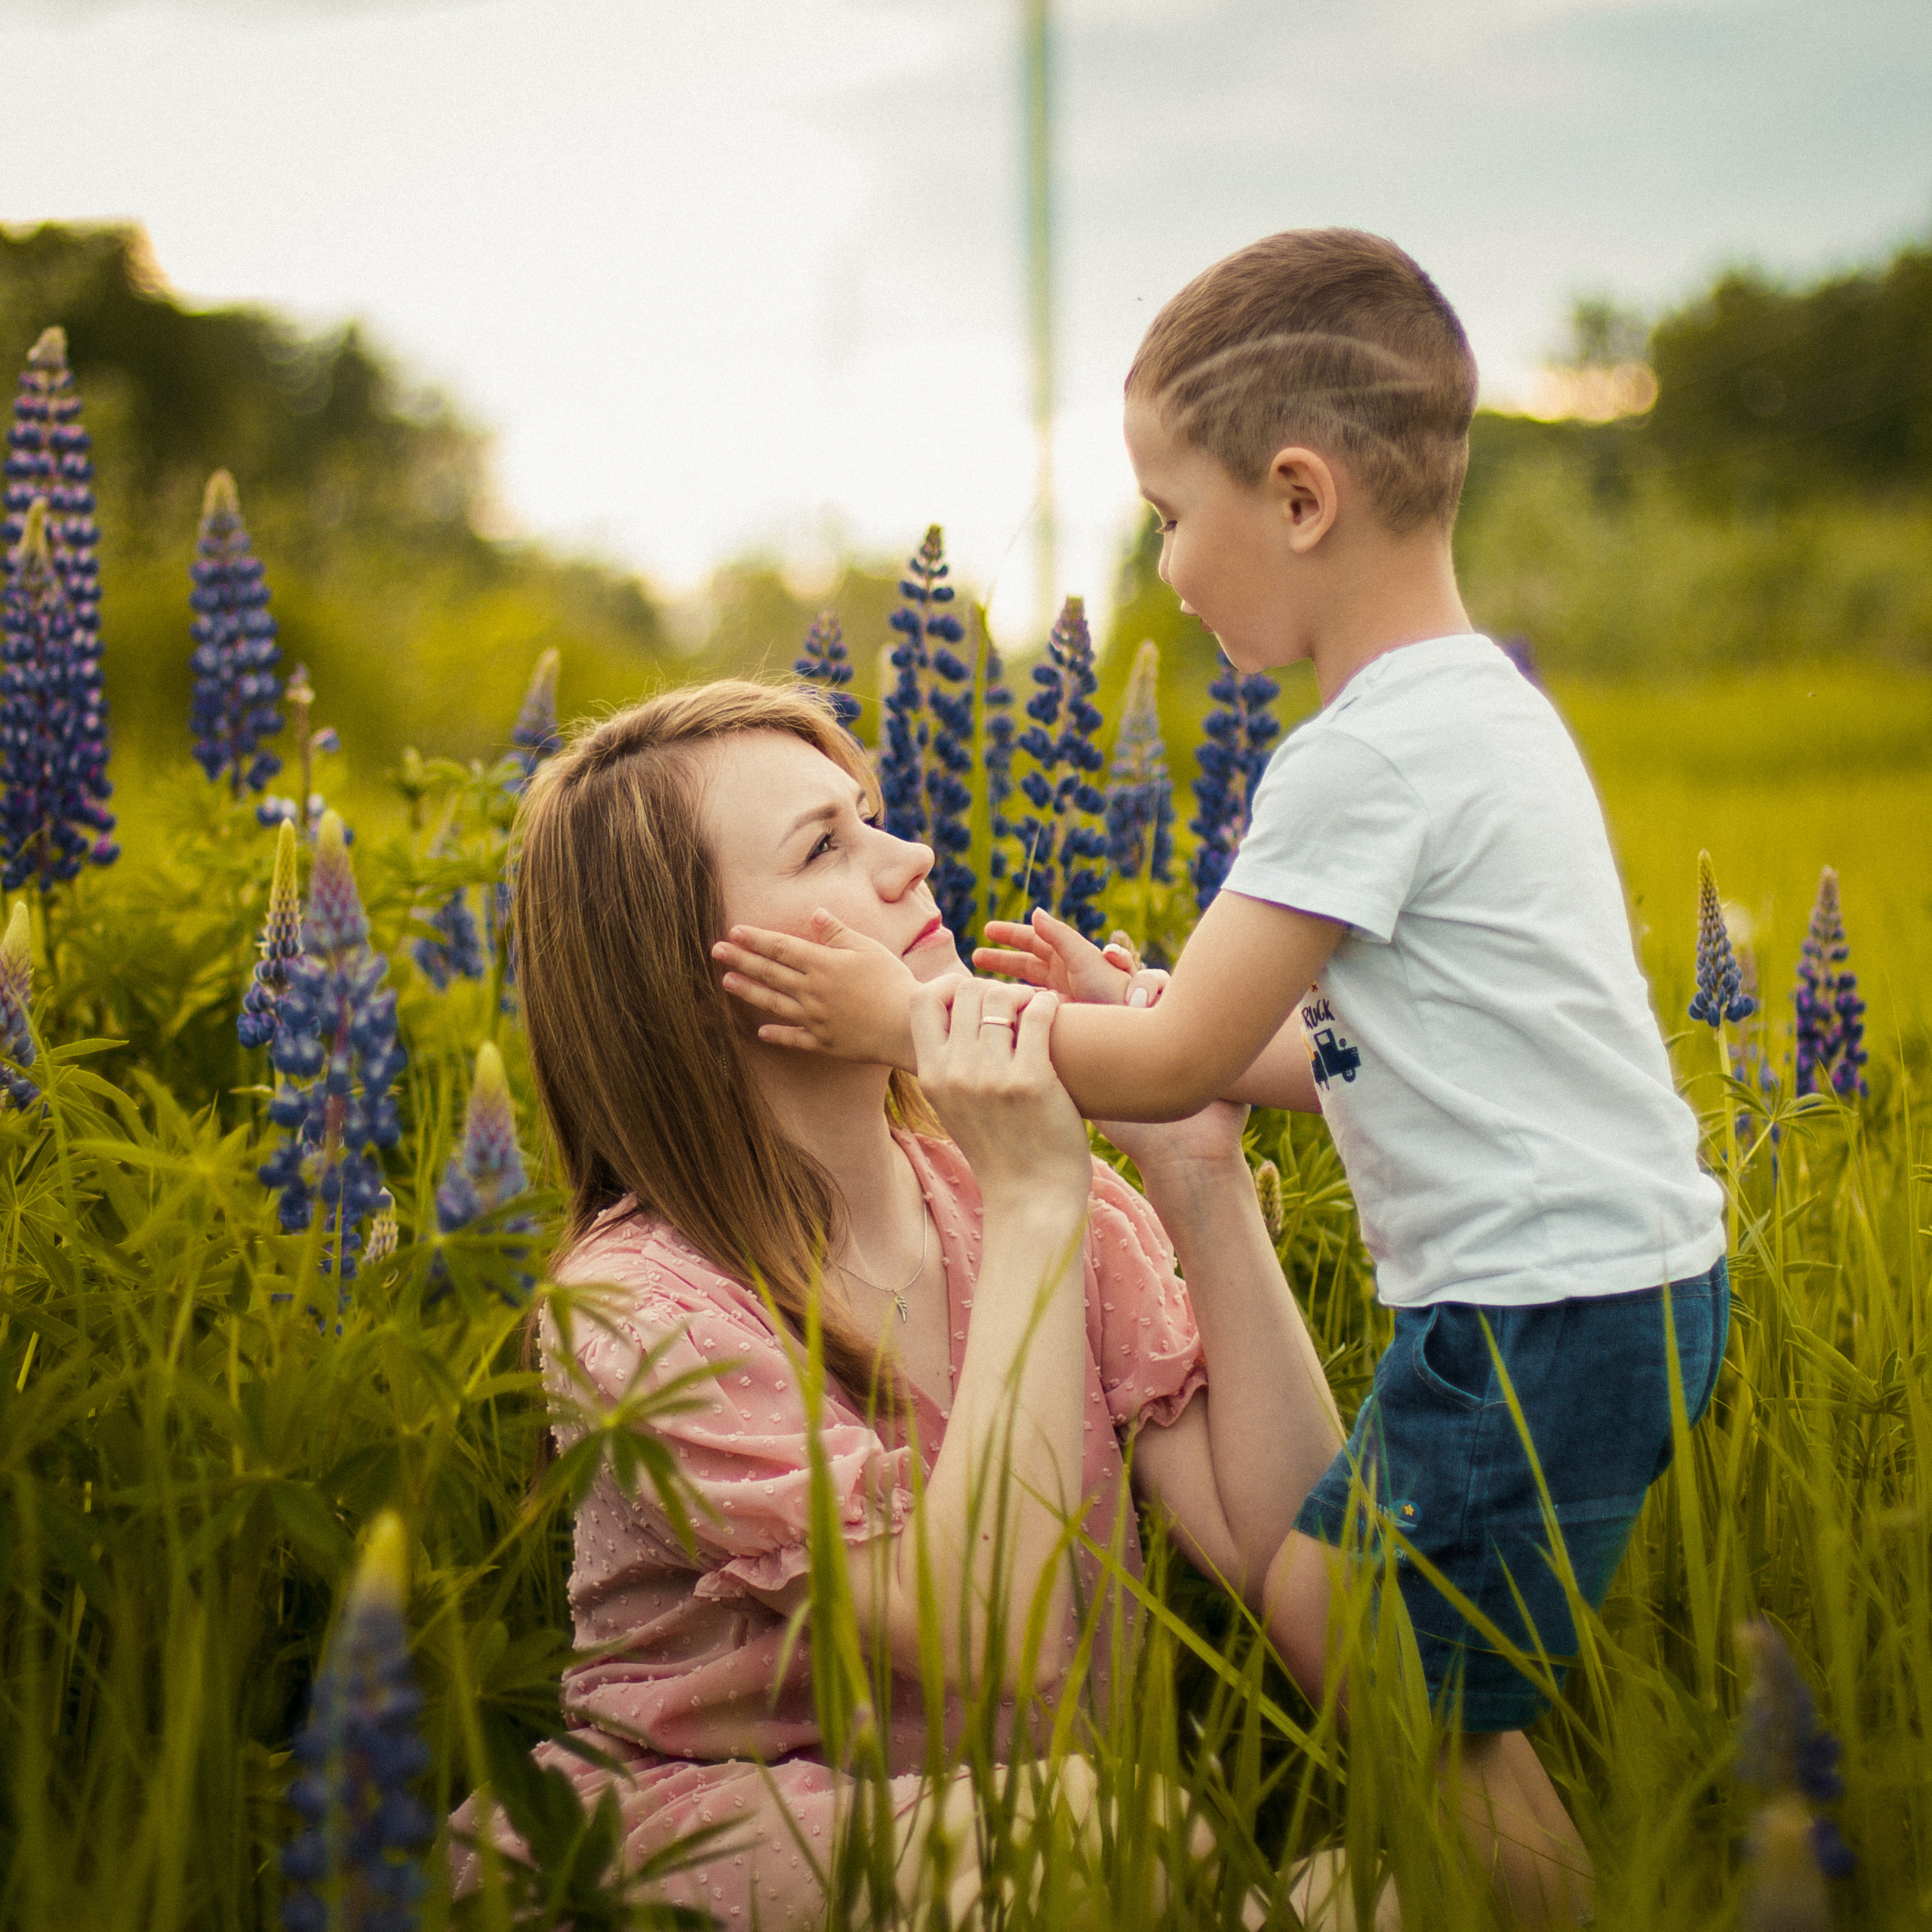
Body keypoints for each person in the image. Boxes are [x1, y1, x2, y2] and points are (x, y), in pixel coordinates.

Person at [713, 229, 1730, 1927]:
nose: (1164, 566)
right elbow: (1336, 1056)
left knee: (1343, 1620)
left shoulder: (1353, 759)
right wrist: (1148, 1006)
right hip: (1614, 1283)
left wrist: (915, 1026)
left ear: (1300, 498)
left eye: (1171, 516)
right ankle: (1532, 1887)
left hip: (1532, 1304)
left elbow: (1178, 1063)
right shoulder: (1480, 713)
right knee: (1408, 1655)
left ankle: (1554, 1900)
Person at [451, 681, 1343, 1929]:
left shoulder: (1016, 1206)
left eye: (871, 814)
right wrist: (1041, 1198)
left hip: (1049, 1851)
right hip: (707, 1862)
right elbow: (986, 1626)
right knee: (1109, 1834)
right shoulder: (637, 1306)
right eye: (828, 843)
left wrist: (1198, 1176)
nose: (912, 853)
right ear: (690, 972)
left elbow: (1290, 1559)